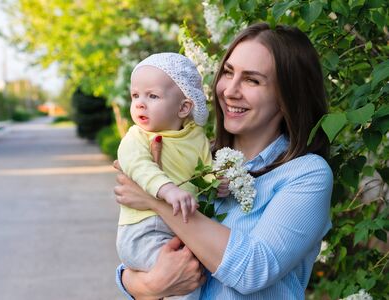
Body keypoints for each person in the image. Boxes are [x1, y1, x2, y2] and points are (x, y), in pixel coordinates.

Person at [114, 22, 333, 299]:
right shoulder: (200, 157)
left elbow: (254, 269)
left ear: (286, 97)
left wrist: (156, 199)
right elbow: (144, 250)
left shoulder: (306, 174)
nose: (230, 90)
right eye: (228, 73)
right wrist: (147, 286)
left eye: (252, 80)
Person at [116, 52, 226, 300]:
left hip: (180, 228)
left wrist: (216, 184)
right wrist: (167, 189)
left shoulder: (196, 137)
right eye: (135, 96)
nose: (140, 103)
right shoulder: (137, 137)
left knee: (192, 270)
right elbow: (138, 166)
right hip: (143, 230)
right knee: (183, 276)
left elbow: (204, 172)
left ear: (184, 107)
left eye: (152, 96)